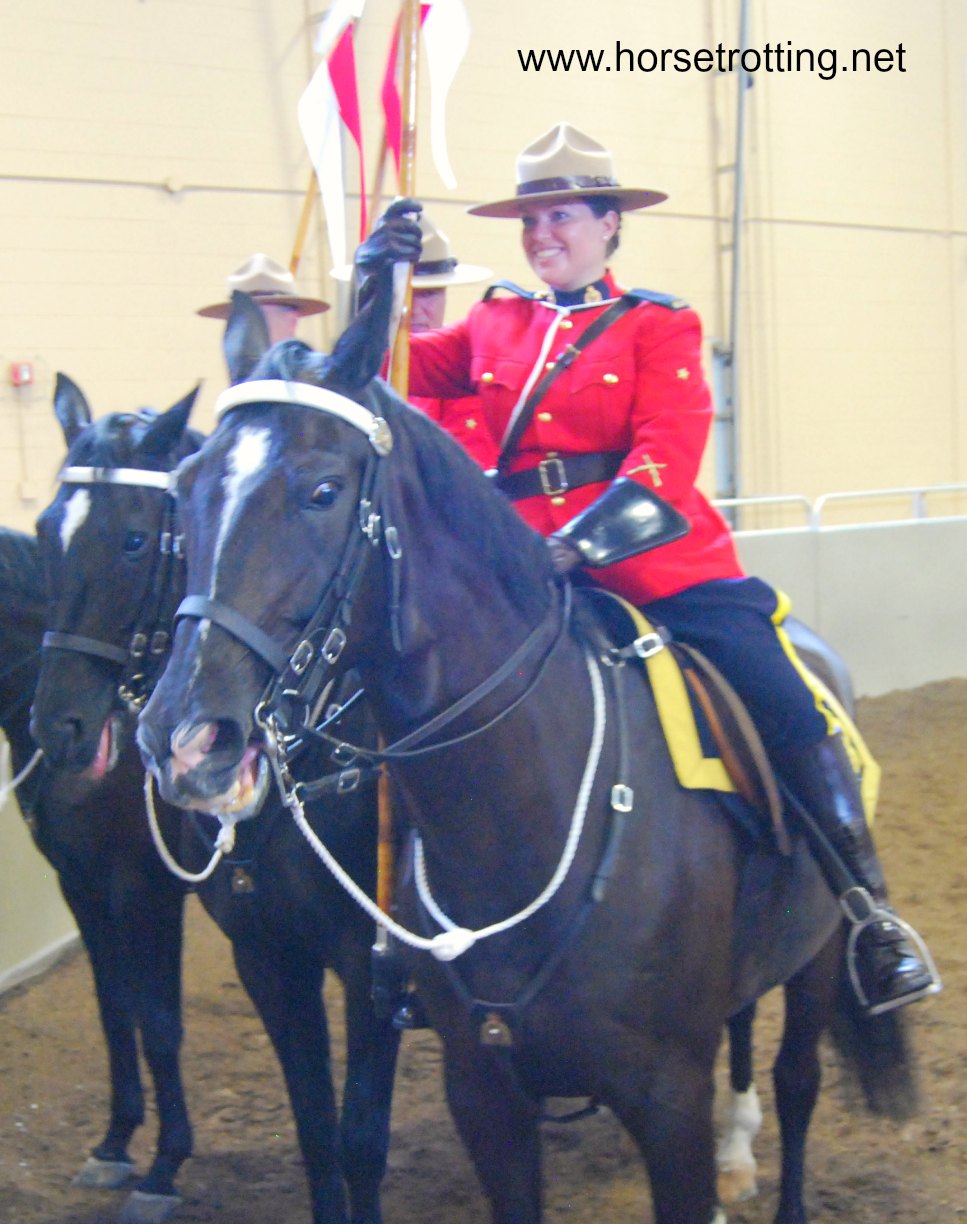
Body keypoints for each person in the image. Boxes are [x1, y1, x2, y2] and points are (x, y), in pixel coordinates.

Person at [354, 122, 939, 1017]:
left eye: (561, 216)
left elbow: (665, 459)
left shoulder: (658, 325)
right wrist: (376, 279)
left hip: (653, 566)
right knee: (419, 714)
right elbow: (383, 371)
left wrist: (576, 546)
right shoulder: (495, 321)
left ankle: (868, 915)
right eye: (530, 221)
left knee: (781, 696)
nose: (541, 235)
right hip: (515, 575)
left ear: (609, 224)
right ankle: (408, 934)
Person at [334, 212, 496, 467]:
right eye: (401, 294)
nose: (412, 309)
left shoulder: (475, 364)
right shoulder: (354, 378)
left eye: (428, 294)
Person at [197, 253, 329, 343]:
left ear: (291, 321)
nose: (246, 332)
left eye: (259, 320)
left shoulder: (320, 375)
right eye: (237, 322)